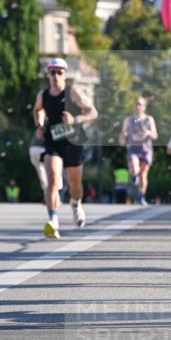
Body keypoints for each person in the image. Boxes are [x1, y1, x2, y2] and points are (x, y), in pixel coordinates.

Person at [33, 58, 98, 240]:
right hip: (53, 141)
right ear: (48, 74)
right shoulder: (43, 95)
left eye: (59, 72)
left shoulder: (73, 93)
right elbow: (37, 110)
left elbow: (93, 112)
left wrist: (75, 120)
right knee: (53, 179)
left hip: (73, 142)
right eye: (52, 72)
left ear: (65, 74)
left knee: (74, 184)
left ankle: (76, 204)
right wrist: (39, 125)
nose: (55, 76)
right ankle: (53, 221)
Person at [119, 97, 158, 205]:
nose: (138, 106)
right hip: (133, 148)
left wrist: (149, 133)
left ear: (144, 107)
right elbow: (123, 134)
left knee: (143, 175)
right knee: (135, 169)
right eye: (136, 104)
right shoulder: (128, 119)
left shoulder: (149, 119)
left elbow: (155, 135)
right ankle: (134, 176)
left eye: (140, 104)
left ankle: (141, 196)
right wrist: (123, 137)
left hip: (146, 149)